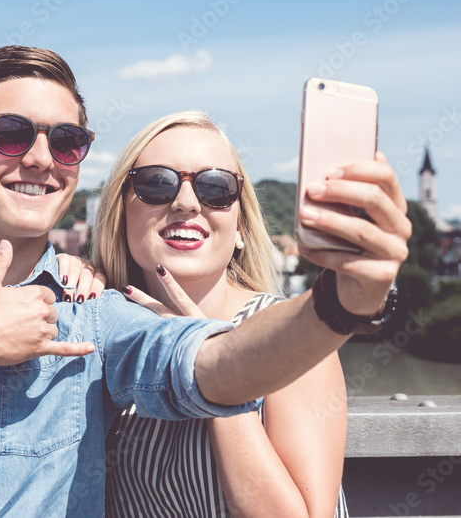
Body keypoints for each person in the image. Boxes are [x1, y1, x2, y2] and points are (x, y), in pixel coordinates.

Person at [0, 46, 409, 516]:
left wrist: (345, 299)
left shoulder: (97, 310)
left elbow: (209, 364)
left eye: (67, 141)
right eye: (12, 134)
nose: (41, 158)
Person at [83, 110, 349, 516]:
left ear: (240, 226)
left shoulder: (289, 338)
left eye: (216, 187)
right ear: (121, 216)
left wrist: (208, 364)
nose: (186, 203)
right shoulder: (105, 332)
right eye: (156, 183)